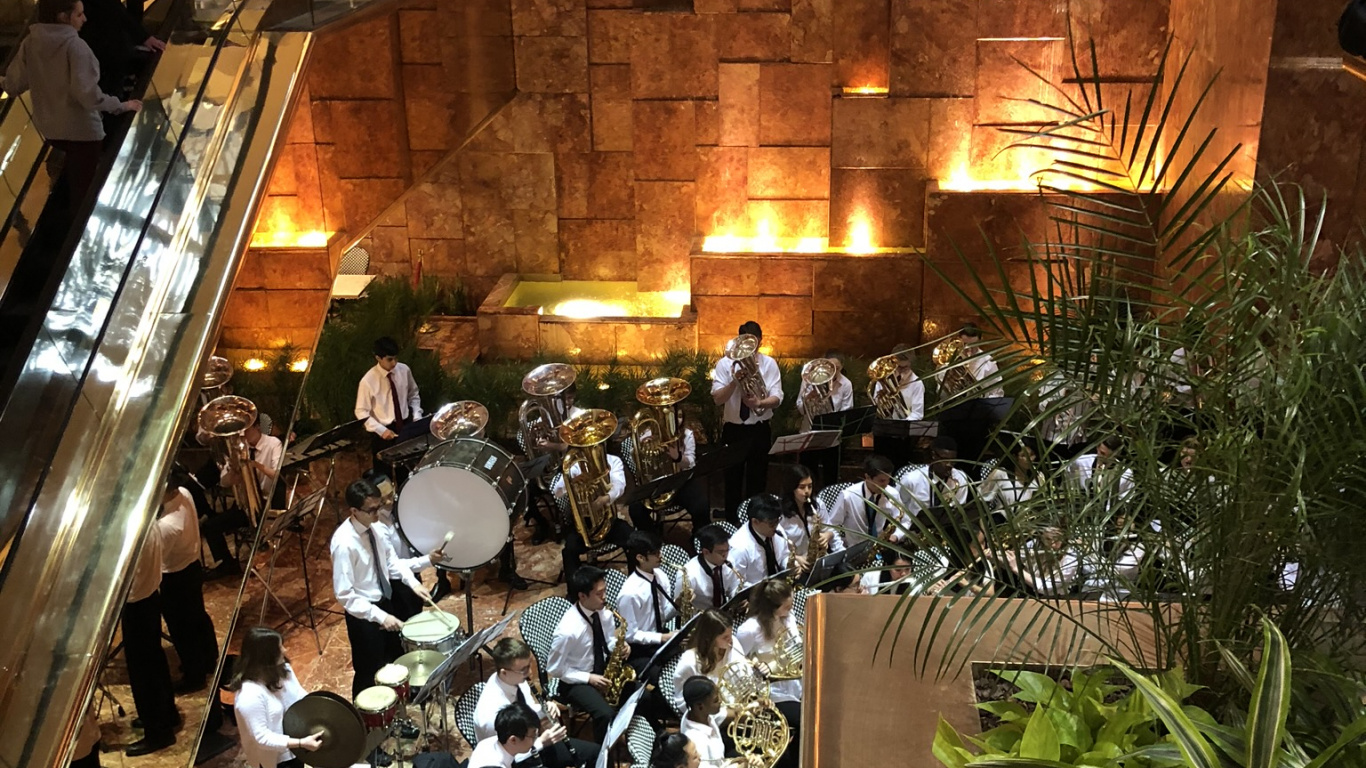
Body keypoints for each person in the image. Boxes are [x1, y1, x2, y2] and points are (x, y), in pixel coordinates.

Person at [1, 0, 141, 210]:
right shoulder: (76, 47)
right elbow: (88, 96)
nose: (84, 19)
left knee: (72, 180)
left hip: (51, 130)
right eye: (79, 15)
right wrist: (120, 105)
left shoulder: (30, 43)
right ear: (63, 17)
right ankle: (78, 233)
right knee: (85, 194)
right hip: (83, 133)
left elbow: (13, 85)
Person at [330, 479, 440, 697]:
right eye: (371, 510)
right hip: (363, 614)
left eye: (378, 507)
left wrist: (414, 582)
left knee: (394, 659)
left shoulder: (377, 529)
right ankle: (365, 720)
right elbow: (345, 594)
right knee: (369, 669)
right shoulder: (344, 543)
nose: (377, 513)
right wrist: (379, 616)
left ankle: (396, 707)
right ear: (354, 511)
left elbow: (391, 564)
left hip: (384, 601)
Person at [475, 638, 597, 768]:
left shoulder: (516, 680)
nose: (530, 673)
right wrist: (541, 743)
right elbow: (508, 756)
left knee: (595, 753)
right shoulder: (490, 715)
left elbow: (527, 710)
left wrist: (543, 709)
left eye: (529, 665)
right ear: (504, 672)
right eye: (524, 669)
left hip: (532, 743)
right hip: (518, 760)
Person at [711, 321, 783, 520]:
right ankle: (733, 523)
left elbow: (777, 398)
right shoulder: (725, 364)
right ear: (737, 341)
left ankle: (755, 522)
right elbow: (717, 399)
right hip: (734, 430)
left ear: (760, 342)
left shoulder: (769, 364)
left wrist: (759, 402)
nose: (750, 349)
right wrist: (734, 381)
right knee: (731, 480)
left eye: (754, 343)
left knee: (757, 481)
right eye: (745, 342)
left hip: (759, 429)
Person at [156, 478, 220, 693]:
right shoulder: (184, 492)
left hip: (174, 577)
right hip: (192, 567)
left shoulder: (167, 526)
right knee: (198, 617)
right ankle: (210, 660)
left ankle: (195, 676)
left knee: (182, 630)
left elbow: (156, 557)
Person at [229, 627, 323, 768]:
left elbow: (299, 695)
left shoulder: (284, 670)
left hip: (297, 745)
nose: (285, 650)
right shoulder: (249, 696)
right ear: (266, 656)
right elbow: (262, 738)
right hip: (276, 759)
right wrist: (301, 742)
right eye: (280, 647)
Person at [121, 523, 178, 756]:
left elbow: (124, 575)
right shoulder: (149, 521)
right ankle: (166, 714)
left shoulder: (132, 535)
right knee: (155, 660)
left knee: (143, 672)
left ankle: (158, 731)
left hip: (137, 604)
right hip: (150, 597)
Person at [547, 566, 620, 742]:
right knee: (604, 714)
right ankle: (601, 755)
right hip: (575, 681)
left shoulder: (605, 613)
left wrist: (618, 647)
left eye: (605, 591)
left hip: (601, 669)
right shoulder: (567, 631)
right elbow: (555, 669)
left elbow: (608, 641)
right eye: (599, 593)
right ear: (582, 596)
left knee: (640, 692)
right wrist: (588, 678)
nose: (605, 597)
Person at [734, 581, 801, 768]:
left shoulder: (788, 617)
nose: (791, 609)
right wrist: (756, 666)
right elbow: (739, 661)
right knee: (804, 720)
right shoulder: (749, 630)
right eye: (787, 606)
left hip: (797, 683)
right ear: (772, 608)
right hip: (772, 692)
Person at [627, 403, 710, 535]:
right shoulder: (648, 434)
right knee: (635, 509)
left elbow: (691, 463)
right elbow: (635, 459)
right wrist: (644, 446)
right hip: (656, 482)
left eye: (680, 416)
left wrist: (677, 457)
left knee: (701, 505)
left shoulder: (687, 434)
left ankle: (700, 538)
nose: (676, 420)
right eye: (671, 416)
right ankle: (652, 541)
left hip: (681, 481)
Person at [552, 445, 632, 583]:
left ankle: (634, 581)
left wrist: (606, 498)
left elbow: (620, 485)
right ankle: (575, 595)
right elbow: (557, 492)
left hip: (608, 519)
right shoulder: (575, 467)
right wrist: (569, 482)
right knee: (569, 551)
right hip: (583, 524)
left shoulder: (613, 461)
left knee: (632, 539)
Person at [356, 336, 423, 480]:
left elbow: (413, 394)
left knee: (407, 473)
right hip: (382, 432)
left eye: (395, 358)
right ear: (378, 358)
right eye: (389, 359)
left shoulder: (404, 370)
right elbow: (361, 411)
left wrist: (417, 416)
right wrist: (381, 430)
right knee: (383, 478)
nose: (394, 363)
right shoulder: (368, 381)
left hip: (404, 426)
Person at [670, 610, 750, 717]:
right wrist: (734, 713)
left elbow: (746, 676)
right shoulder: (689, 662)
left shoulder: (733, 644)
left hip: (740, 706)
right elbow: (685, 704)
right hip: (713, 717)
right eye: (725, 637)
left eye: (730, 634)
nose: (730, 640)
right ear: (710, 638)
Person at [618, 531, 679, 664]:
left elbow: (662, 615)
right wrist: (662, 637)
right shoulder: (629, 594)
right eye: (655, 554)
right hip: (641, 649)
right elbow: (631, 635)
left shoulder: (661, 576)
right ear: (640, 557)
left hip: (661, 637)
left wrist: (677, 604)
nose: (660, 556)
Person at [795, 351, 853, 487]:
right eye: (830, 368)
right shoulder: (809, 379)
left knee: (830, 476)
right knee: (807, 474)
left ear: (841, 367)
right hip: (810, 432)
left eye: (837, 369)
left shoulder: (846, 384)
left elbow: (847, 409)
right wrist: (809, 397)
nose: (833, 372)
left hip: (831, 436)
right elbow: (800, 408)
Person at [822, 455, 902, 551]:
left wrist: (896, 535)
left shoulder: (892, 493)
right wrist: (841, 550)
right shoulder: (848, 496)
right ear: (867, 477)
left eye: (889, 479)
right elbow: (831, 525)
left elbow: (905, 520)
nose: (886, 485)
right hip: (853, 549)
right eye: (882, 481)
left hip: (880, 548)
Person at [871, 344, 925, 466]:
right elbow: (876, 409)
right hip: (882, 433)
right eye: (897, 367)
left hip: (903, 437)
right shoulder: (882, 380)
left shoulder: (917, 383)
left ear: (911, 364)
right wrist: (882, 401)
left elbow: (917, 413)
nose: (900, 371)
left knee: (899, 468)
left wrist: (900, 425)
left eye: (904, 368)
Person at [896, 436, 971, 524]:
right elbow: (897, 508)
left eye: (953, 461)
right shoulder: (912, 479)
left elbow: (959, 513)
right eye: (945, 460)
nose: (949, 465)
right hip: (914, 530)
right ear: (934, 455)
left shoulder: (960, 478)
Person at [777, 464, 834, 565]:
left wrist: (828, 535)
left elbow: (830, 529)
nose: (807, 491)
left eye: (810, 486)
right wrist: (796, 558)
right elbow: (778, 549)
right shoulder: (780, 513)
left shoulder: (818, 504)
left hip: (818, 559)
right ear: (791, 488)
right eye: (802, 487)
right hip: (795, 563)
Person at [728, 494, 791, 586]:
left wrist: (789, 566)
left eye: (778, 520)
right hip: (755, 593)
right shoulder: (739, 547)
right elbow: (737, 583)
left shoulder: (776, 529)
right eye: (771, 523)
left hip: (777, 585)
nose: (776, 526)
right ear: (755, 522)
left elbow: (784, 555)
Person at [1066, 435, 1135, 509]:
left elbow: (1126, 499)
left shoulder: (1125, 473)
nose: (1105, 458)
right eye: (1102, 453)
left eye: (1110, 456)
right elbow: (1068, 471)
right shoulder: (1082, 462)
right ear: (1097, 448)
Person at [684, 524, 740, 614]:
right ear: (706, 552)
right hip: (701, 620)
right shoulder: (689, 574)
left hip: (724, 615)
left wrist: (738, 599)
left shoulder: (729, 562)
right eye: (721, 552)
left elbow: (733, 587)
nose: (726, 555)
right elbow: (681, 607)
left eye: (727, 550)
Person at [979, 442, 1041, 521]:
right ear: (1015, 457)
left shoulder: (1038, 477)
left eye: (1032, 454)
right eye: (1024, 455)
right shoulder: (1001, 474)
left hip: (1026, 526)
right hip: (1001, 524)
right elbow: (982, 501)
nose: (1030, 459)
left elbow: (1039, 507)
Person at [469, 704, 544, 768]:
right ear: (513, 740)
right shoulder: (495, 764)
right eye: (532, 735)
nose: (535, 738)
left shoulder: (487, 743)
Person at [679, 676, 729, 766]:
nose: (721, 701)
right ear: (700, 706)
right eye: (716, 700)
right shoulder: (697, 741)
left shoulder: (699, 713)